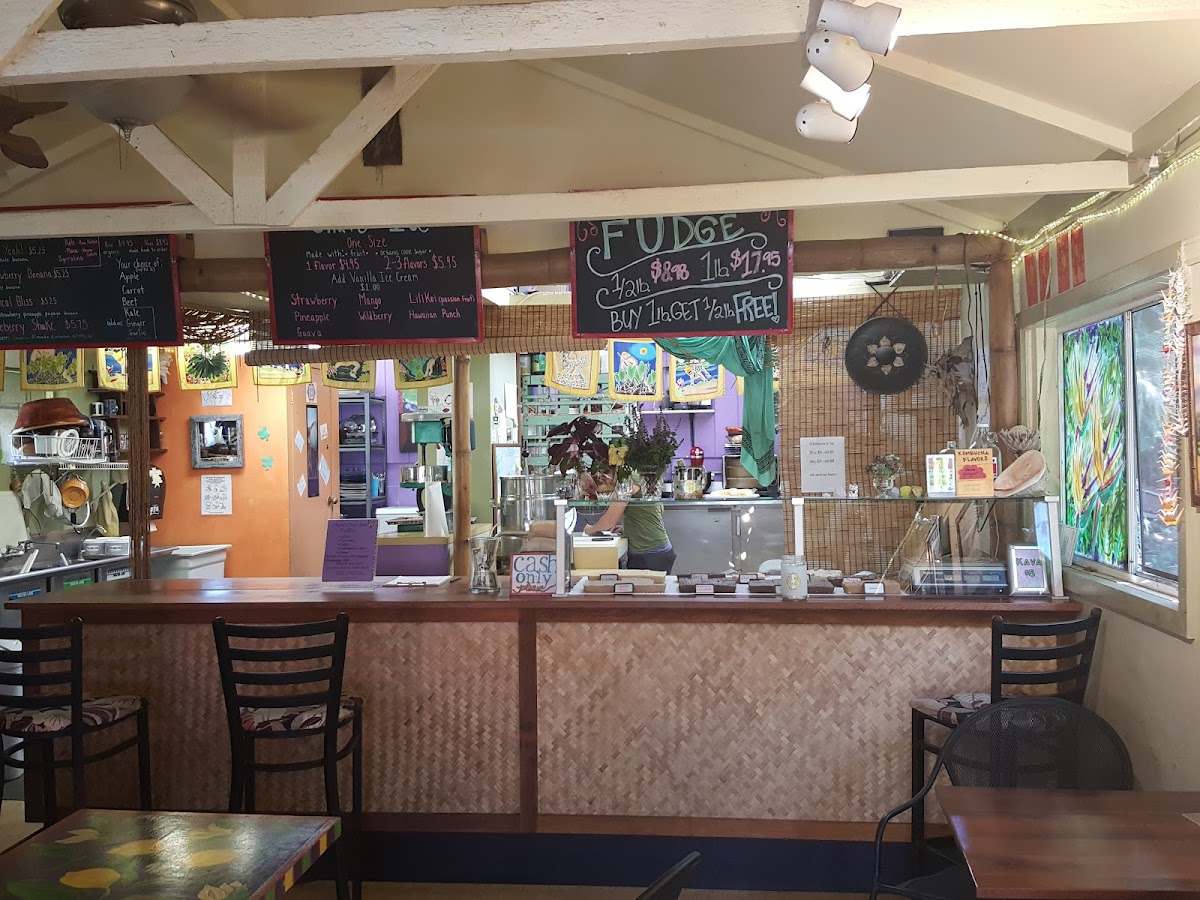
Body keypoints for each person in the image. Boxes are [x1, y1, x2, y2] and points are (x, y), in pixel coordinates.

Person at [582, 500, 677, 574]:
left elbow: (610, 521)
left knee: (644, 593)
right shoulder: (644, 484)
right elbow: (655, 512)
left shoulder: (627, 484)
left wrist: (590, 529)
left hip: (649, 554)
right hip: (659, 550)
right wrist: (629, 529)